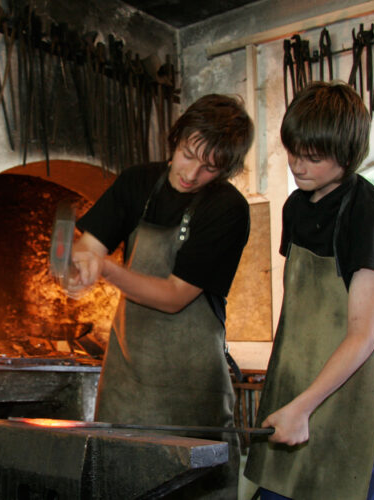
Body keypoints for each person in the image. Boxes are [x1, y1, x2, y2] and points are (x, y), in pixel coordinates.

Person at [65, 93, 254, 498]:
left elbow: (174, 296)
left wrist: (109, 270)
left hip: (192, 391)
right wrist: (81, 269)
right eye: (188, 155)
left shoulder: (227, 208)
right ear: (177, 138)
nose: (191, 173)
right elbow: (89, 246)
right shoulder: (137, 182)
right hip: (126, 384)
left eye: (210, 168)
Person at [243, 81, 374, 500]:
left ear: (347, 154)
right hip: (299, 383)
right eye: (294, 151)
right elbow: (297, 312)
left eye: (313, 157)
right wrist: (285, 395)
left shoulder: (369, 215)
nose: (298, 165)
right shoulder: (297, 206)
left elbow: (363, 336)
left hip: (354, 393)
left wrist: (303, 406)